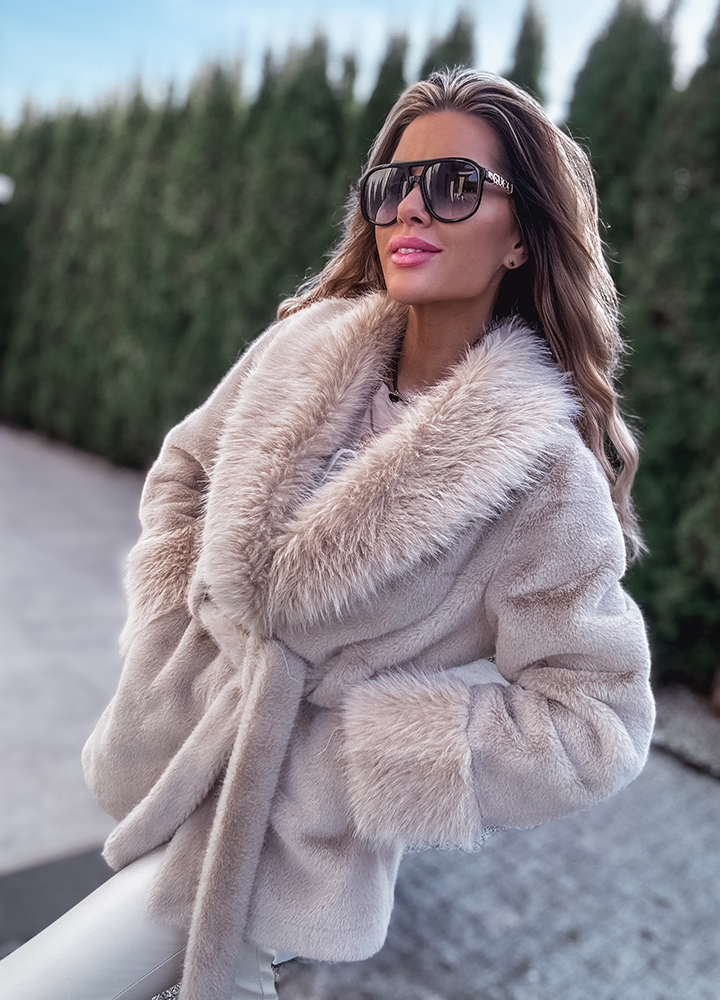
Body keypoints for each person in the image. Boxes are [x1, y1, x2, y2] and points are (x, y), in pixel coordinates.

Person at [0, 68, 655, 1000]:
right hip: (165, 774)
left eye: (456, 184)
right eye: (393, 184)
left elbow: (601, 717)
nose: (411, 208)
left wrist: (362, 759)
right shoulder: (300, 350)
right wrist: (172, 636)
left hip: (283, 869)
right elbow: (185, 472)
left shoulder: (544, 476)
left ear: (521, 236)